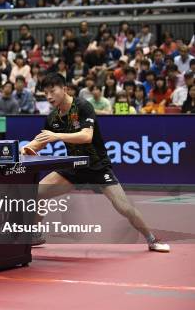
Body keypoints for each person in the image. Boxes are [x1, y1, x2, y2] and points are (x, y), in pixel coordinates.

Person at [20, 74, 169, 252]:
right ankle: (34, 233)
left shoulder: (83, 106)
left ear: (65, 89)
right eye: (45, 93)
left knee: (124, 208)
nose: (49, 96)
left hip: (97, 166)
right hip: (73, 167)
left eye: (53, 91)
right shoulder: (53, 117)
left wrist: (57, 136)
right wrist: (26, 148)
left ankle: (152, 239)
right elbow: (40, 141)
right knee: (36, 193)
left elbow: (86, 136)